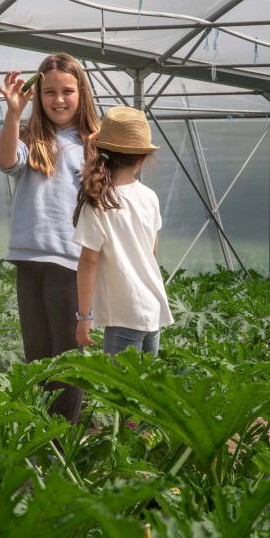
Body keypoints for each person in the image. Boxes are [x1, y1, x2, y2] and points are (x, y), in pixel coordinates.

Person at [0, 53, 100, 423]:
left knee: (68, 355)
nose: (58, 100)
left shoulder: (93, 144)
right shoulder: (29, 137)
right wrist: (12, 113)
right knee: (37, 355)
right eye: (49, 92)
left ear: (81, 92)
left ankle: (63, 435)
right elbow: (7, 161)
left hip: (69, 262)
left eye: (67, 91)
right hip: (30, 260)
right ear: (37, 97)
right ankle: (42, 433)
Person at [72, 105, 173, 356]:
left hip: (124, 313)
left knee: (120, 391)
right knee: (145, 390)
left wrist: (84, 316)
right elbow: (152, 249)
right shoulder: (149, 197)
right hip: (153, 307)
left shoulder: (99, 201)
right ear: (143, 159)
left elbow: (88, 262)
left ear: (103, 152)